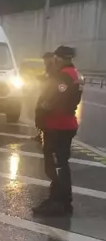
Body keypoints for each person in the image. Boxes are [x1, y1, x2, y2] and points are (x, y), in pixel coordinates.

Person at [32, 46, 82, 216]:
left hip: (57, 125)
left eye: (55, 58)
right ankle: (60, 200)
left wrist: (40, 114)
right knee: (60, 164)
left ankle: (58, 203)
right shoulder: (74, 73)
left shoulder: (63, 76)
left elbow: (52, 99)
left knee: (56, 165)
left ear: (59, 58)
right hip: (65, 124)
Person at [31, 52, 56, 143]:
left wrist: (42, 78)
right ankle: (42, 133)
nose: (44, 61)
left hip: (49, 95)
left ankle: (45, 135)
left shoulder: (53, 67)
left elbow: (52, 80)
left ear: (50, 58)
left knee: (41, 113)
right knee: (40, 113)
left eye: (45, 59)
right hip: (45, 93)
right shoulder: (49, 67)